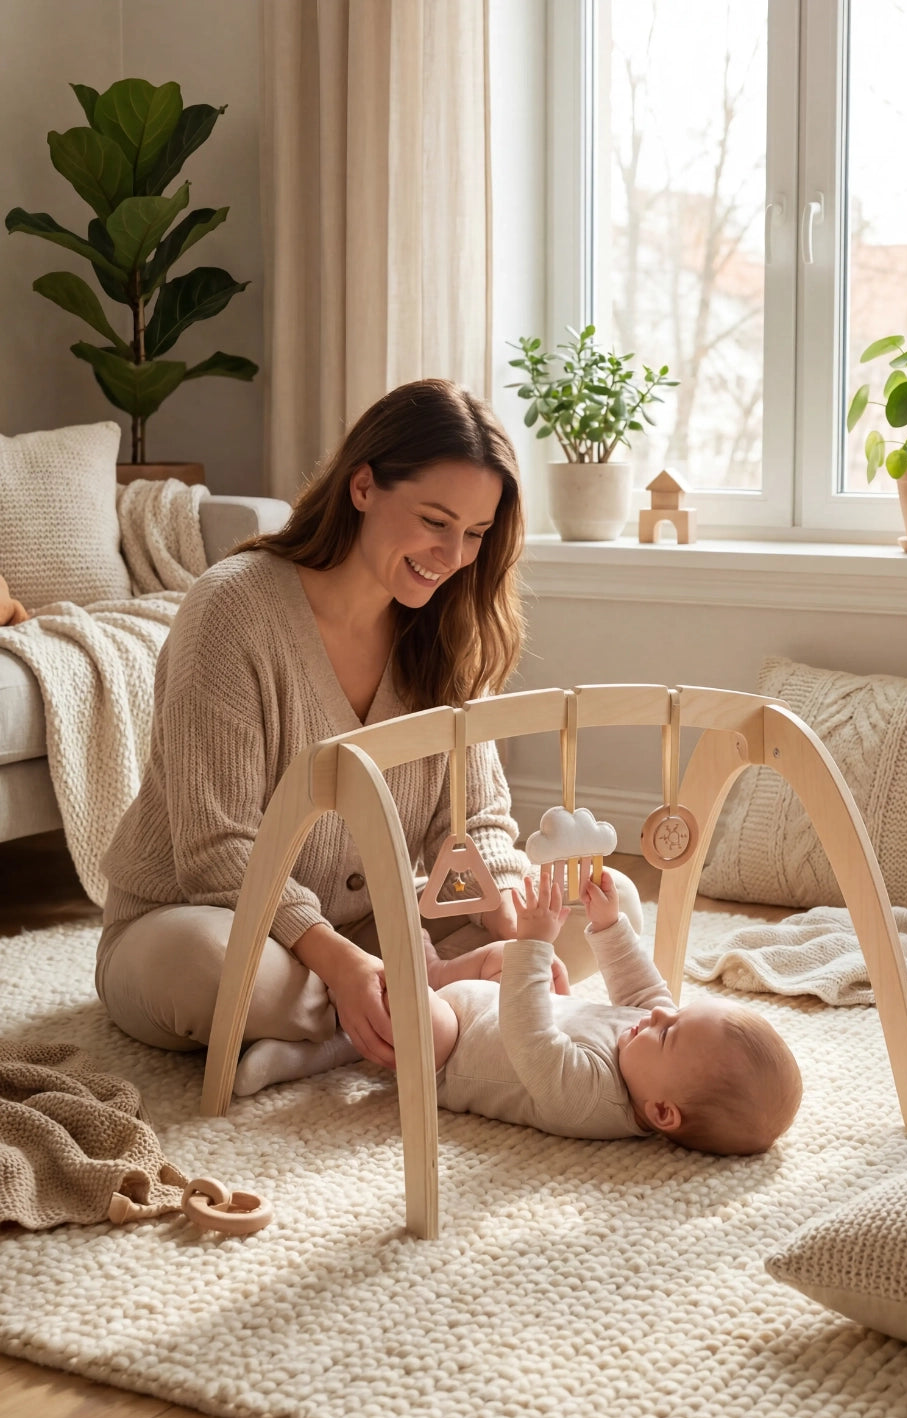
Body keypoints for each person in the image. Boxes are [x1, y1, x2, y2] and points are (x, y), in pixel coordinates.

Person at [95, 378, 641, 1094]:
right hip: (202, 920)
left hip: (379, 925)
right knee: (212, 968)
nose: (452, 555)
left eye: (475, 534)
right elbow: (217, 852)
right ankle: (428, 1003)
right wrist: (341, 962)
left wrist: (505, 909)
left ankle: (356, 1027)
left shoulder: (447, 628)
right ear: (362, 487)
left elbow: (474, 819)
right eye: (435, 521)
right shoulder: (231, 610)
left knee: (613, 901)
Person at [395, 866, 804, 1155]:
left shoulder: (590, 1101)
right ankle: (435, 972)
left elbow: (528, 1035)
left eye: (667, 1033)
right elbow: (642, 986)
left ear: (662, 1112)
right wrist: (609, 925)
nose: (661, 1016)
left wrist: (535, 942)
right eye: (677, 1014)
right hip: (489, 1001)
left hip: (450, 1052)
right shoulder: (651, 1047)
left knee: (430, 1018)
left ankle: (385, 989)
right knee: (519, 962)